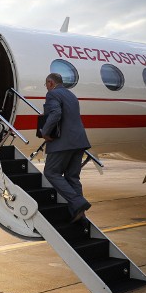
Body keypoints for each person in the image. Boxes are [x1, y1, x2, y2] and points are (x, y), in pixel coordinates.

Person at [40, 73, 91, 223]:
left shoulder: (52, 94)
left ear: (50, 82)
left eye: (46, 85)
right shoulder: (71, 95)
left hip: (63, 143)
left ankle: (78, 202)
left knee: (51, 172)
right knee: (72, 177)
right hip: (79, 141)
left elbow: (56, 113)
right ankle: (80, 214)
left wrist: (45, 131)